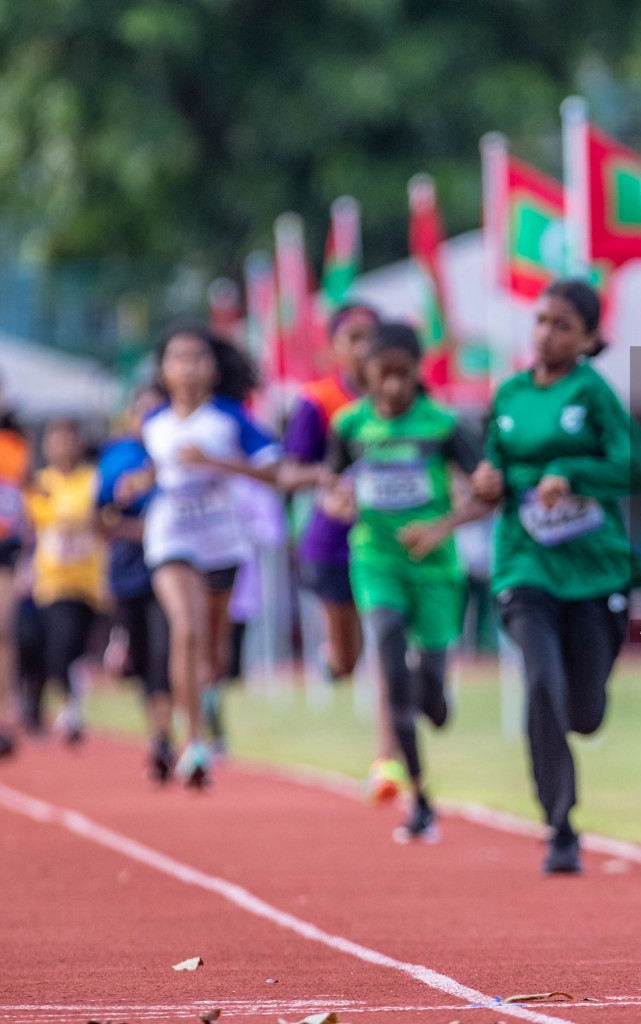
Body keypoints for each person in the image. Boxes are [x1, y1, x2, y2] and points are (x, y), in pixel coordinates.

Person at [471, 278, 641, 874]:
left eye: (561, 325)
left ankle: (575, 746)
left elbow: (638, 466)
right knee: (542, 684)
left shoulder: (593, 392)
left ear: (587, 337)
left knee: (585, 710)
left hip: (593, 570)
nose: (546, 334)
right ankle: (559, 824)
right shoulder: (508, 395)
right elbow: (491, 469)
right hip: (524, 563)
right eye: (541, 321)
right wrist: (486, 481)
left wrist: (570, 473)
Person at [324, 322, 486, 843]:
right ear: (365, 373)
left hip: (436, 570)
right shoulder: (350, 425)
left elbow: (487, 493)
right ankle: (419, 797)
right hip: (376, 560)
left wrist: (441, 527)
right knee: (390, 654)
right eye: (382, 375)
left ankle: (436, 693)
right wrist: (337, 499)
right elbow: (333, 482)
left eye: (402, 375)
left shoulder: (442, 426)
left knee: (429, 698)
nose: (392, 387)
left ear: (419, 371)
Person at [129, 324, 281, 787]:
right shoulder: (152, 423)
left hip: (220, 539)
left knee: (211, 651)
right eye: (178, 358)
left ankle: (203, 706)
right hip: (170, 535)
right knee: (186, 626)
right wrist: (138, 482)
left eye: (198, 358)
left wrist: (217, 464)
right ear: (165, 371)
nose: (188, 367)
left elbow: (273, 470)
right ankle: (193, 741)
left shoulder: (231, 419)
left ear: (213, 368)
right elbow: (147, 468)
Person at [280, 303, 407, 804]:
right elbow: (289, 472)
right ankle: (332, 660)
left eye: (370, 336)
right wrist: (325, 477)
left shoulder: (402, 397)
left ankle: (385, 761)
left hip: (388, 544)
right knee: (351, 659)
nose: (362, 346)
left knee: (387, 649)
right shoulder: (318, 401)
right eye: (351, 337)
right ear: (333, 348)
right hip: (331, 545)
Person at [96, 385, 174, 780]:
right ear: (131, 416)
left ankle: (166, 736)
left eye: (157, 410)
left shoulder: (177, 450)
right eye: (142, 411)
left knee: (167, 651)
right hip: (129, 571)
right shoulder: (116, 458)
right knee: (143, 659)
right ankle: (156, 732)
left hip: (173, 568)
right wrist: (141, 530)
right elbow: (99, 519)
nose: (149, 418)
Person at [24, 419, 104, 745]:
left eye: (68, 439)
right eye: (56, 440)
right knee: (58, 646)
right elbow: (31, 530)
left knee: (76, 649)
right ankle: (65, 707)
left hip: (88, 581)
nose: (62, 446)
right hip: (52, 581)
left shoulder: (93, 480)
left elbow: (104, 522)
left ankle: (70, 705)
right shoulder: (40, 484)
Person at [0, 375, 29, 757]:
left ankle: (5, 714)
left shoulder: (16, 445)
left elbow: (30, 500)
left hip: (6, 547)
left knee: (3, 630)